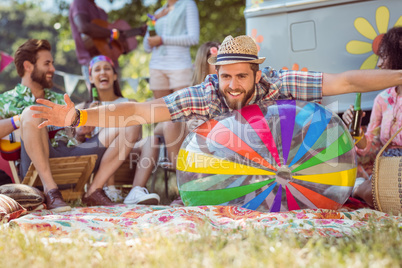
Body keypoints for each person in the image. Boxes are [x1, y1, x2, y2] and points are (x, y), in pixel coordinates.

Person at [31, 33, 402, 194]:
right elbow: (140, 110)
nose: (234, 85)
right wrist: (79, 118)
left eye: (242, 76)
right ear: (216, 74)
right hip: (232, 174)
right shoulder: (206, 94)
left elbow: (346, 82)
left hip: (291, 163)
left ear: (258, 73)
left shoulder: (280, 82)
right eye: (226, 76)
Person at [0, 39, 140, 212]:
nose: (52, 69)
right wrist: (21, 120)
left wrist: (79, 133)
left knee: (131, 122)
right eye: (47, 63)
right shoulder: (5, 101)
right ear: (28, 66)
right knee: (31, 112)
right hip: (35, 165)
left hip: (74, 156)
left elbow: (72, 137)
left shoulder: (61, 99)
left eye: (52, 63)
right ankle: (52, 192)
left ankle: (94, 190)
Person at [123, 41, 220, 206]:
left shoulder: (231, 90)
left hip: (218, 141)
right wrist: (187, 121)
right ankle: (186, 189)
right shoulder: (193, 92)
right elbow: (162, 125)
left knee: (202, 128)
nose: (220, 66)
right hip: (185, 145)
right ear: (204, 64)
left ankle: (196, 189)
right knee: (172, 122)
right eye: (215, 61)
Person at [342, 26, 402, 207]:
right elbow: (371, 147)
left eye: (384, 56)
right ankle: (360, 189)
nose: (379, 64)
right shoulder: (382, 99)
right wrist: (356, 130)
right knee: (373, 190)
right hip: (388, 170)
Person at [77, 55, 142, 203]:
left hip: (126, 148)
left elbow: (138, 136)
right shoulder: (83, 108)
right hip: (97, 154)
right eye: (97, 70)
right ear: (91, 78)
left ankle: (136, 192)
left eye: (107, 68)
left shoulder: (129, 103)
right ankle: (106, 188)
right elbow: (74, 143)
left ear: (114, 76)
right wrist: (83, 129)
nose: (102, 72)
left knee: (152, 140)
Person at [69, 0, 145, 88]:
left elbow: (108, 36)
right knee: (99, 101)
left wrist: (136, 33)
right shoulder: (79, 2)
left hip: (112, 64)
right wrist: (114, 34)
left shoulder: (101, 11)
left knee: (116, 101)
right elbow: (84, 27)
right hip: (93, 64)